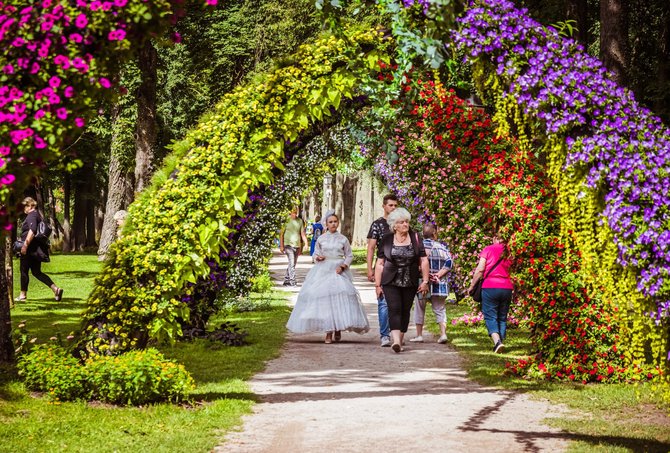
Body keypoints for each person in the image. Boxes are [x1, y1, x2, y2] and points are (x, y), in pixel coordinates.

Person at [286, 211, 369, 342]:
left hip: (338, 270)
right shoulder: (321, 239)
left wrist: (343, 266)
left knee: (339, 298)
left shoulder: (343, 239)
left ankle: (338, 328)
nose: (333, 224)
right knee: (325, 300)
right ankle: (328, 332)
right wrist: (318, 257)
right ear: (326, 224)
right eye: (330, 222)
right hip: (323, 269)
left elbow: (349, 255)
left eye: (335, 221)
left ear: (338, 223)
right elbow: (315, 254)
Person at [375, 208, 430, 353]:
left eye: (406, 221)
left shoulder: (415, 237)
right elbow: (380, 263)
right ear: (394, 225)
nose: (405, 224)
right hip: (390, 280)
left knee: (405, 310)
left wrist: (425, 281)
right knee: (394, 309)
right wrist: (377, 285)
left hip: (410, 280)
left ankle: (400, 336)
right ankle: (397, 341)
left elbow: (423, 260)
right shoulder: (387, 239)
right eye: (401, 222)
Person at [467, 231, 513, 353]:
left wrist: (472, 286)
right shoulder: (510, 252)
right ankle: (500, 342)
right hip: (507, 287)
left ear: (495, 238)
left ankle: (497, 342)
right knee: (502, 316)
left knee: (490, 315)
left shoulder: (488, 249)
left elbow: (480, 269)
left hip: (490, 286)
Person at [410, 224, 452, 344]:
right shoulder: (442, 247)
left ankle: (419, 335)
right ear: (435, 233)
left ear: (423, 233)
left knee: (419, 308)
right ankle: (443, 334)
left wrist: (425, 276)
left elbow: (416, 264)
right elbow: (449, 263)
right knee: (440, 309)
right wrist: (438, 274)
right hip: (439, 283)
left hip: (423, 283)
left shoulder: (419, 247)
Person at [15, 197, 63, 302]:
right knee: (37, 272)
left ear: (30, 205)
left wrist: (25, 245)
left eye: (25, 206)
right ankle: (56, 289)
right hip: (36, 249)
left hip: (30, 249)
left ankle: (22, 295)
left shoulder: (31, 215)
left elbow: (32, 230)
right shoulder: (37, 215)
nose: (24, 209)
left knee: (24, 271)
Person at [366, 193, 398, 347]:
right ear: (384, 206)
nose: (393, 208)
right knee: (383, 301)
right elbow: (371, 247)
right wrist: (369, 269)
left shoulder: (400, 223)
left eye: (395, 205)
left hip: (399, 268)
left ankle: (397, 334)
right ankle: (384, 335)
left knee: (398, 303)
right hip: (382, 267)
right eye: (390, 205)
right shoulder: (377, 225)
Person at [279, 208, 308, 286]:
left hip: (297, 245)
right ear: (290, 212)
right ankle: (293, 281)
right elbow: (281, 234)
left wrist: (306, 244)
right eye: (293, 212)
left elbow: (302, 234)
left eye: (295, 212)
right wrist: (281, 246)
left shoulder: (300, 221)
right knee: (291, 263)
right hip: (288, 244)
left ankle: (286, 280)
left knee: (293, 264)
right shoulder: (286, 221)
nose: (294, 214)